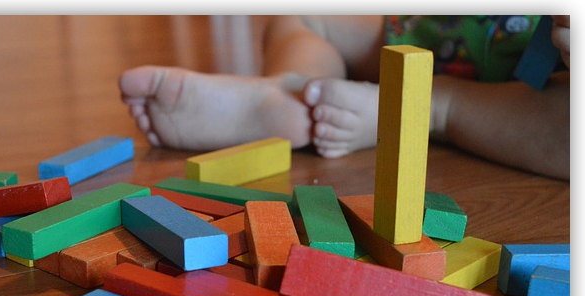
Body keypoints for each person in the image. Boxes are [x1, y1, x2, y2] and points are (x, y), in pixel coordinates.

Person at [119, 15, 569, 180]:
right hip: (442, 28)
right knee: (303, 16)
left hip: (539, 84)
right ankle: (295, 92)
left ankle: (428, 106)